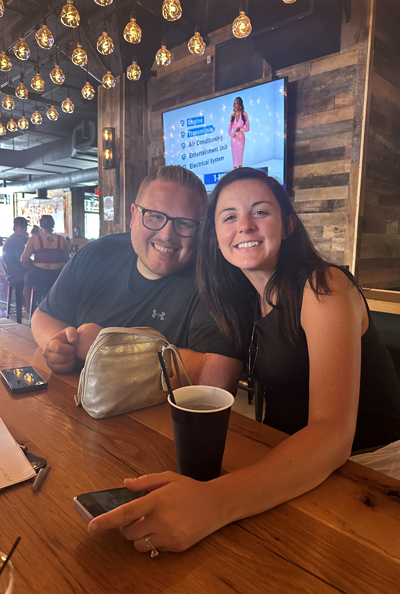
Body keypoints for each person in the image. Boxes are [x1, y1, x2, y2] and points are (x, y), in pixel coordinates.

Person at [87, 167, 400, 554]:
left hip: (369, 470)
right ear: (215, 236)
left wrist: (211, 502)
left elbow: (334, 434)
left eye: (261, 212)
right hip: (291, 461)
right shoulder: (245, 299)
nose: (245, 226)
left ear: (287, 225)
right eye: (229, 216)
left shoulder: (324, 286)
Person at [31, 166, 247, 390]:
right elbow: (45, 315)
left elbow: (217, 376)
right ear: (134, 215)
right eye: (154, 216)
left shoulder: (212, 279)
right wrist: (58, 346)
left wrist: (106, 351)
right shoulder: (97, 253)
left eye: (184, 223)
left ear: (200, 231)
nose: (166, 235)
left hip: (158, 422)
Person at [21, 215, 70, 301]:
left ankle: (29, 310)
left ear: (41, 225)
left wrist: (30, 267)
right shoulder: (61, 239)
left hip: (39, 275)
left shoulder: (34, 239)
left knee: (26, 279)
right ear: (53, 225)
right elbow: (67, 259)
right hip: (56, 276)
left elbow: (24, 259)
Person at [2, 217, 29, 286]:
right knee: (41, 276)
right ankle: (29, 297)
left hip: (9, 274)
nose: (24, 229)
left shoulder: (10, 239)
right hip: (17, 275)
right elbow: (24, 263)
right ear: (15, 227)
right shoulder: (17, 242)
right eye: (22, 227)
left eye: (25, 227)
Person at [228, 97, 250, 169]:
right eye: (234, 103)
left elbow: (248, 128)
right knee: (235, 160)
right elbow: (229, 131)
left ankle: (241, 175)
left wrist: (240, 129)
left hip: (241, 139)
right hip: (234, 140)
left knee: (240, 159)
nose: (235, 105)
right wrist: (232, 134)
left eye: (237, 103)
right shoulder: (232, 116)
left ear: (240, 104)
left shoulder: (244, 114)